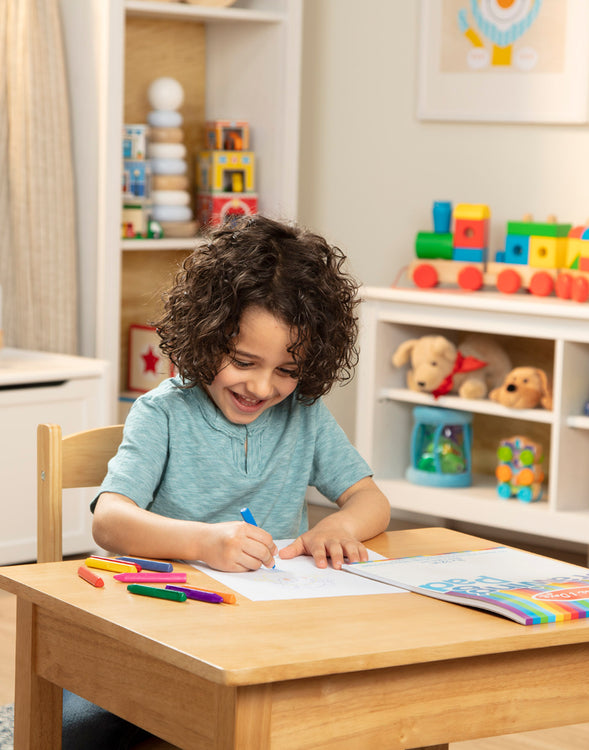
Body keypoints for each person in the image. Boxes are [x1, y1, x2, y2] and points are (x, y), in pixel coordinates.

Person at [64, 214, 391, 749]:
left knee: (357, 718)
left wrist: (340, 526)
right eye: (244, 361)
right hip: (166, 630)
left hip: (270, 639)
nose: (262, 387)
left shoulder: (304, 415)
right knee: (80, 729)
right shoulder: (163, 414)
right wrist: (203, 541)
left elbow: (370, 499)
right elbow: (110, 519)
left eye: (287, 370)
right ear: (207, 333)